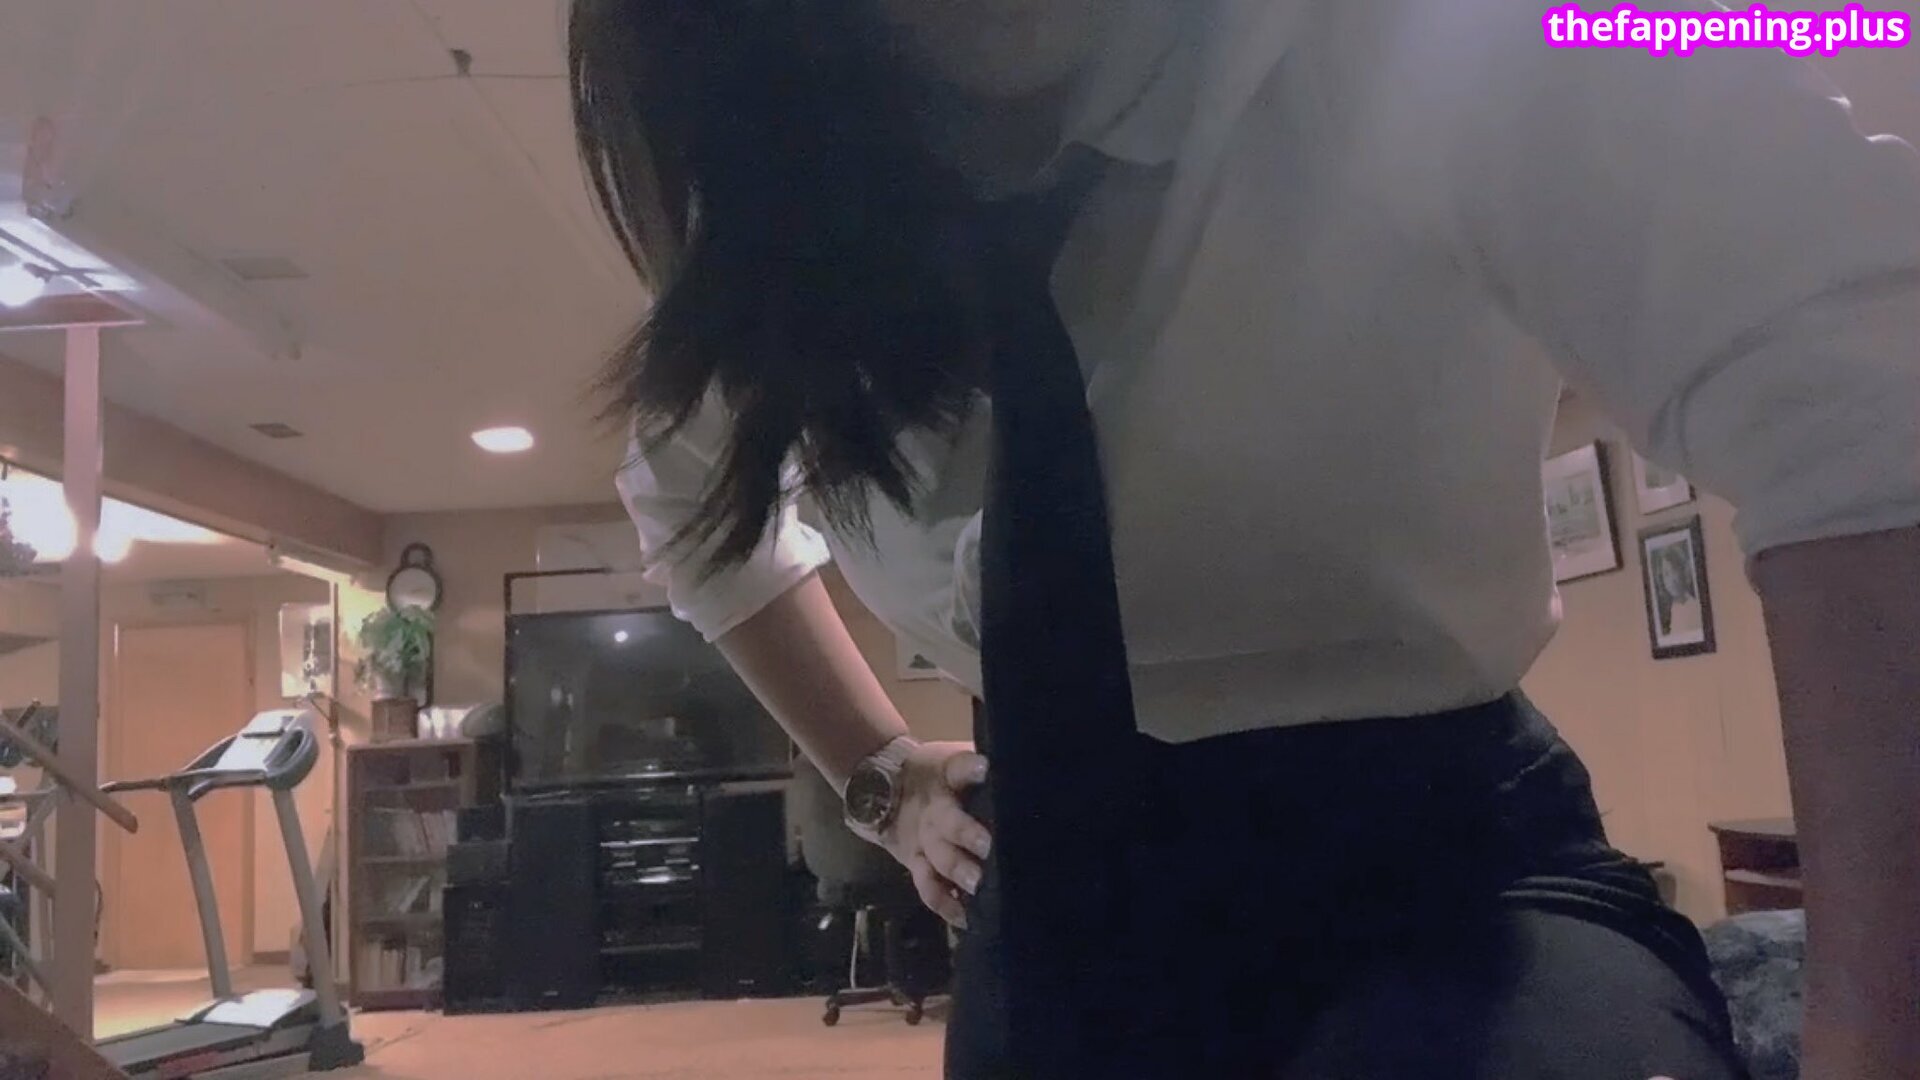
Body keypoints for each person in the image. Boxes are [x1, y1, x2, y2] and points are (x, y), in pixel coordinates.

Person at [568, 2, 1920, 1076]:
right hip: (1053, 886)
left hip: (1442, 859)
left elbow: (1863, 387)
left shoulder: (1448, 35)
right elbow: (693, 510)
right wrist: (880, 776)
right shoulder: (781, 221)